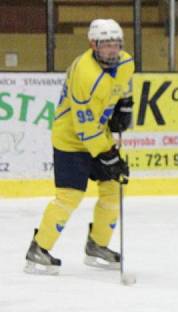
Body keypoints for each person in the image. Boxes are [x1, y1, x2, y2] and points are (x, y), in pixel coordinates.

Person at [24, 18, 133, 275]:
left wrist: (125, 106)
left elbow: (125, 85)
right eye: (106, 45)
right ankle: (38, 249)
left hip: (99, 132)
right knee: (70, 195)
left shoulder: (126, 61)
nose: (112, 50)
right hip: (71, 139)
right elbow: (84, 127)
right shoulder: (86, 74)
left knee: (113, 187)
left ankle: (97, 245)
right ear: (93, 44)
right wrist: (107, 155)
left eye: (116, 44)